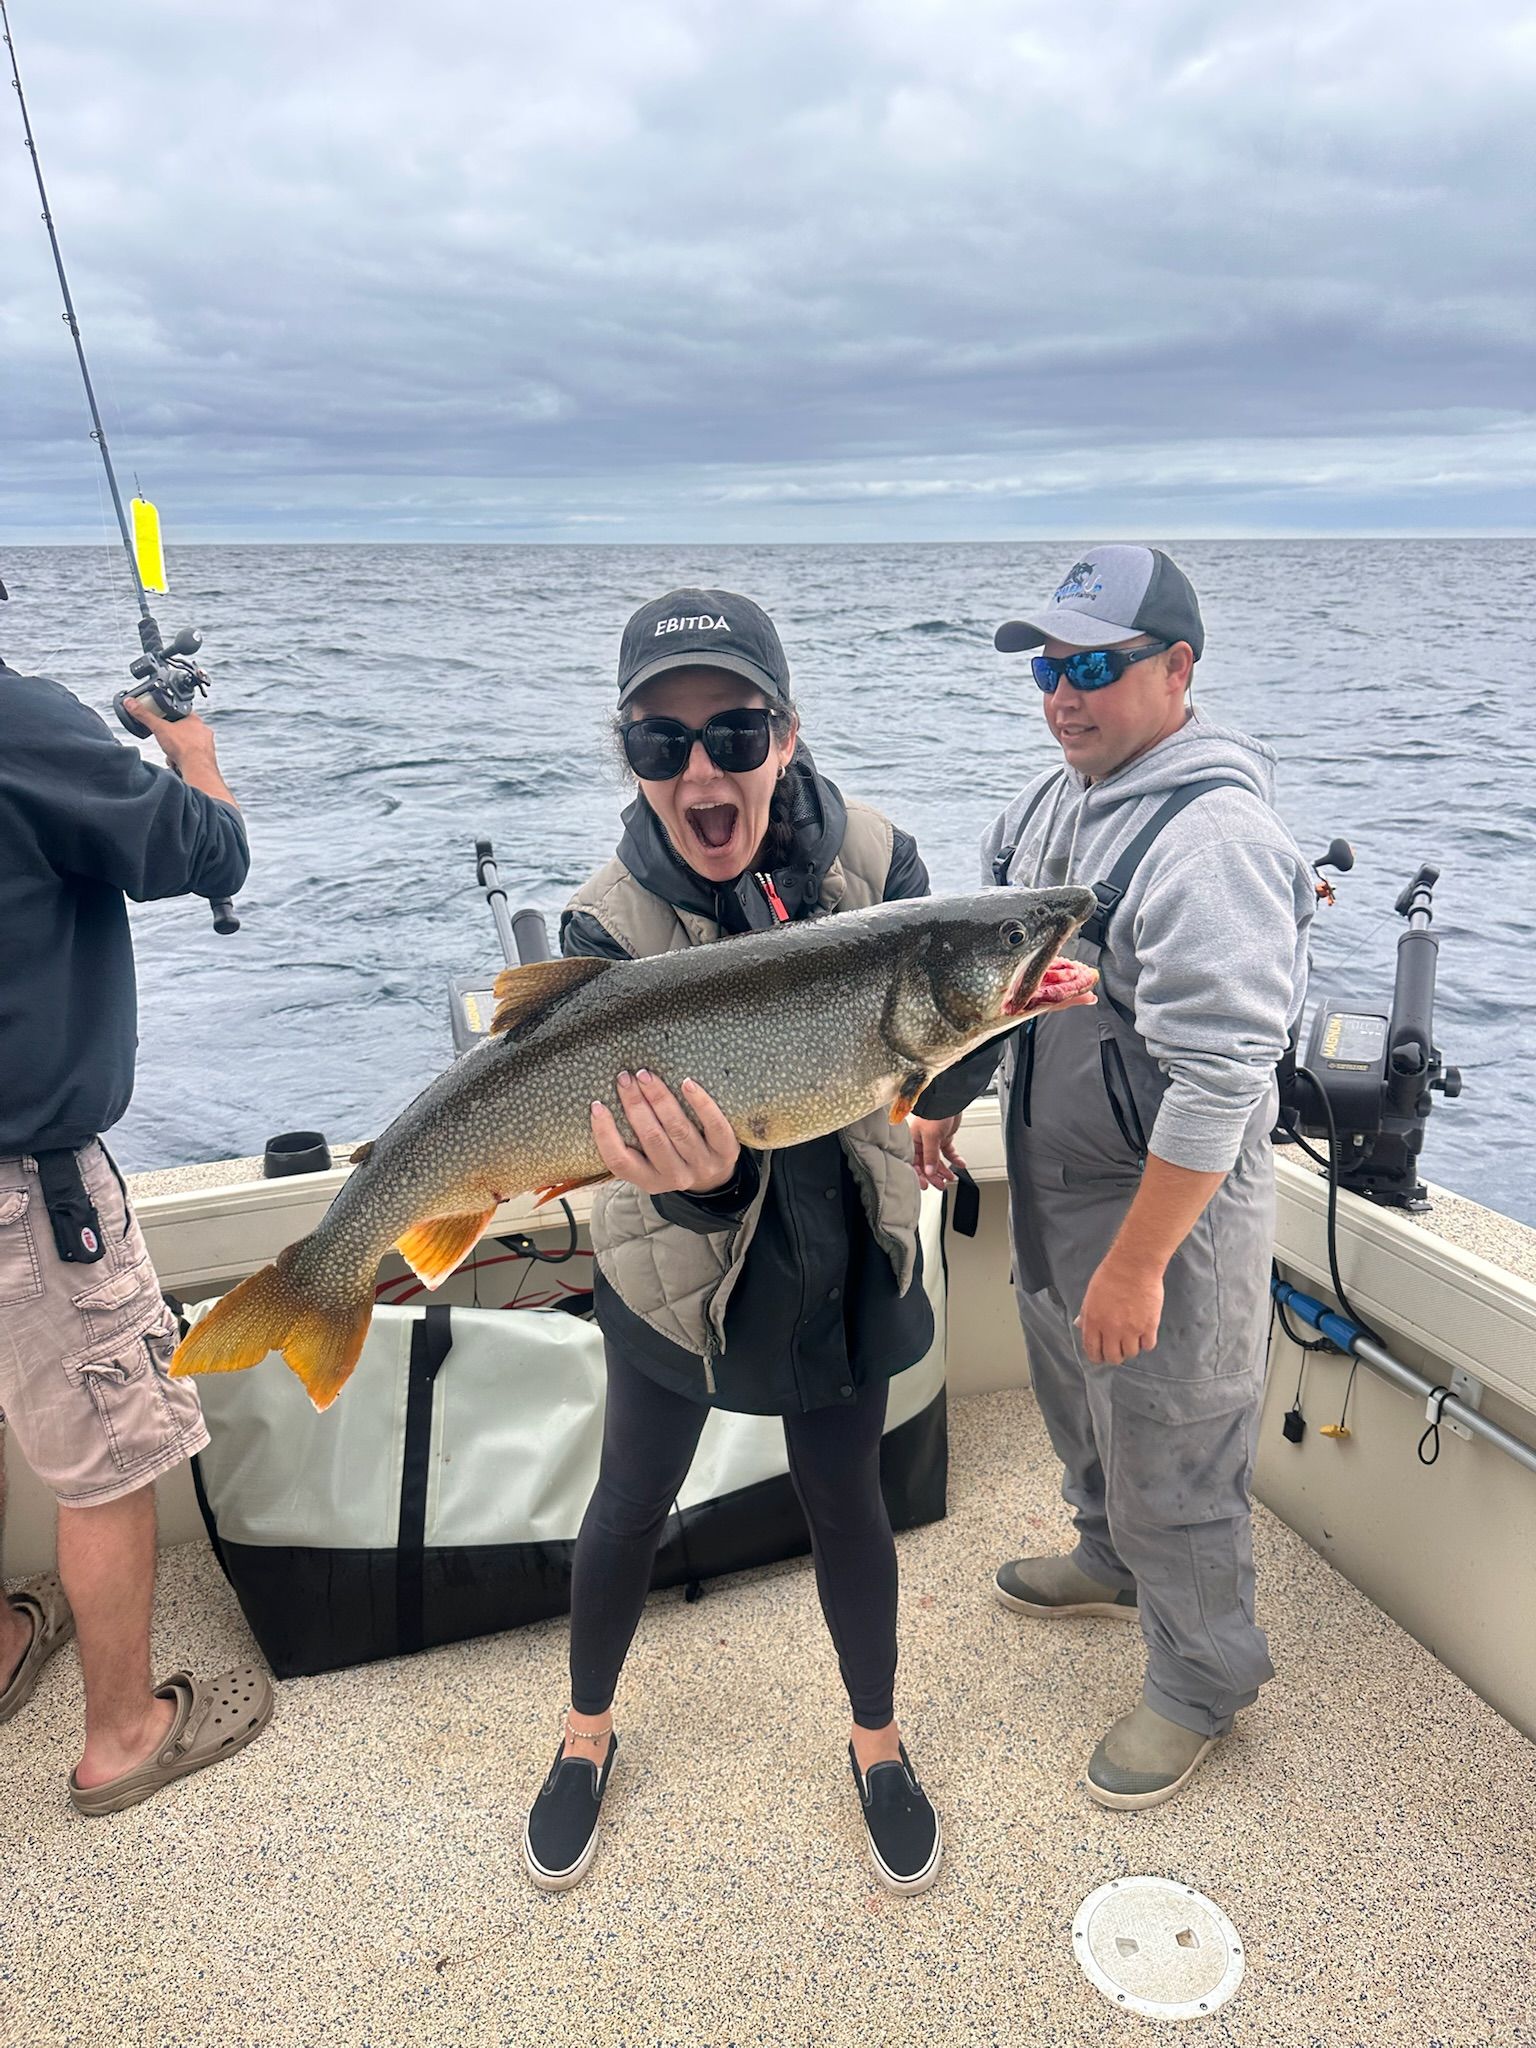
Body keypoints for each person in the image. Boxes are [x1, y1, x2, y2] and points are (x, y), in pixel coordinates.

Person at [523, 588, 942, 1894]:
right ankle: (585, 1733)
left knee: (849, 1509)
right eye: (661, 745)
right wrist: (701, 1192)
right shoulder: (606, 926)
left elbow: (932, 1071)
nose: (700, 770)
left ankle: (876, 1741)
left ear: (789, 735)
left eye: (734, 733)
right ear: (632, 761)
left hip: (847, 1270)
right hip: (677, 1276)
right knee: (627, 1507)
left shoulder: (880, 867)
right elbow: (642, 1168)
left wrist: (988, 1055)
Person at [910, 546, 1314, 1809]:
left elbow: (1223, 1077)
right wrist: (949, 1092)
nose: (1061, 695)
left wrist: (1140, 1261)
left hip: (1169, 1212)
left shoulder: (1216, 838)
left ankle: (1201, 1680)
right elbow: (1000, 990)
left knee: (1174, 1438)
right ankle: (1107, 1552)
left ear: (1178, 667)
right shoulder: (1046, 803)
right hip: (1055, 1172)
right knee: (1078, 1393)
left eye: (1091, 665)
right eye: (1047, 666)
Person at [0, 641, 274, 1813]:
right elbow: (208, 849)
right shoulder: (20, 724)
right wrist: (187, 747)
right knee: (110, 1460)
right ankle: (123, 1732)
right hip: (28, 1185)